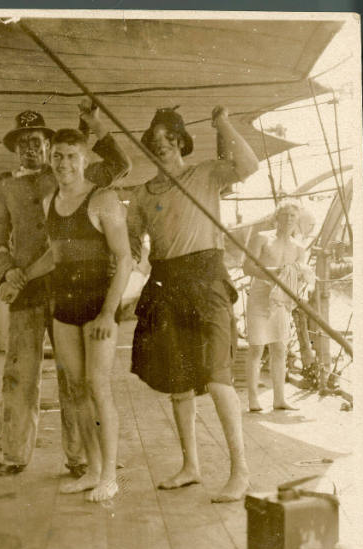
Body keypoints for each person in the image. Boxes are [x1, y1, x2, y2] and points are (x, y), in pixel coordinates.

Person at [0, 101, 131, 478]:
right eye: (22, 143)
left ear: (49, 145)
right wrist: (7, 272)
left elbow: (120, 166)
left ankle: (81, 459)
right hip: (26, 292)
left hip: (69, 289)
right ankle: (15, 455)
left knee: (73, 377)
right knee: (19, 373)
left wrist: (97, 127)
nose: (31, 149)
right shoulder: (5, 188)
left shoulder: (68, 174)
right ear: (15, 149)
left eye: (37, 141)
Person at [128, 105, 259, 502]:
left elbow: (248, 165)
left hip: (207, 281)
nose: (162, 145)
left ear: (182, 141)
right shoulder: (141, 195)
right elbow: (130, 244)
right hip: (166, 283)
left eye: (170, 138)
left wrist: (223, 123)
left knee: (218, 377)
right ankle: (191, 466)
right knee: (179, 383)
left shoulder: (206, 174)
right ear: (149, 148)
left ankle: (240, 472)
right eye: (155, 141)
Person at [42, 129, 132, 502]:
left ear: (85, 160)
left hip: (98, 306)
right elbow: (55, 256)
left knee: (97, 386)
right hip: (64, 308)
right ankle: (92, 470)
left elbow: (125, 259)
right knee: (75, 390)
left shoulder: (103, 199)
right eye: (58, 156)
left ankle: (110, 475)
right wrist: (17, 278)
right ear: (51, 158)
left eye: (72, 157)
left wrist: (108, 314)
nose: (64, 163)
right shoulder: (49, 199)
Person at [244, 198, 313, 412]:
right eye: (285, 215)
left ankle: (279, 399)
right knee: (256, 348)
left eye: (293, 216)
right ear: (277, 217)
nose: (289, 219)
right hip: (260, 296)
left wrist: (302, 276)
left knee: (280, 348)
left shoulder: (300, 248)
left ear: (297, 219)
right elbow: (246, 267)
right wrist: (275, 272)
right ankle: (253, 399)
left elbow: (301, 276)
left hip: (282, 300)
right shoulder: (262, 238)